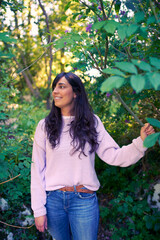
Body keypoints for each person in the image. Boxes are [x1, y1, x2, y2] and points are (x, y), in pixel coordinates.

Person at [31, 72, 155, 240]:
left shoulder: (92, 122)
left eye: (61, 86)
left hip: (84, 200)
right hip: (53, 201)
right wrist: (38, 210)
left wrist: (141, 142)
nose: (55, 92)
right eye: (54, 87)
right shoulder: (44, 126)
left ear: (76, 93)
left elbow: (114, 156)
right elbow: (37, 169)